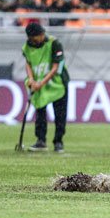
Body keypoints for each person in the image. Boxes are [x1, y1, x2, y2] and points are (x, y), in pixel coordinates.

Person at [22, 22, 69, 153]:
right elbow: (28, 63)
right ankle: (41, 141)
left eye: (42, 34)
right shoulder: (27, 46)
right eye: (38, 36)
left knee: (60, 114)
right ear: (31, 37)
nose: (42, 37)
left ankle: (58, 142)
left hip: (57, 83)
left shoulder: (54, 43)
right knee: (40, 111)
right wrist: (31, 79)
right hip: (38, 82)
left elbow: (55, 67)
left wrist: (41, 83)